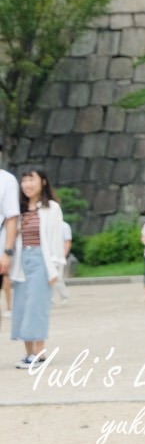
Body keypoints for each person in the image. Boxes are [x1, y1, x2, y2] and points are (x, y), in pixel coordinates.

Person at [11, 168, 64, 367]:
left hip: (42, 260)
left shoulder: (51, 208)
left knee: (37, 307)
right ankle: (28, 353)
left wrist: (56, 268)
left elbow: (56, 239)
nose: (27, 184)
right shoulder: (19, 210)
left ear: (42, 182)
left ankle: (40, 354)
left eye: (31, 179)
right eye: (24, 180)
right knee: (22, 307)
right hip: (21, 261)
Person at [0, 141, 18, 317]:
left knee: (5, 277)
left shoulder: (7, 180)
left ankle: (9, 306)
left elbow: (12, 217)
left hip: (1, 241)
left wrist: (7, 251)